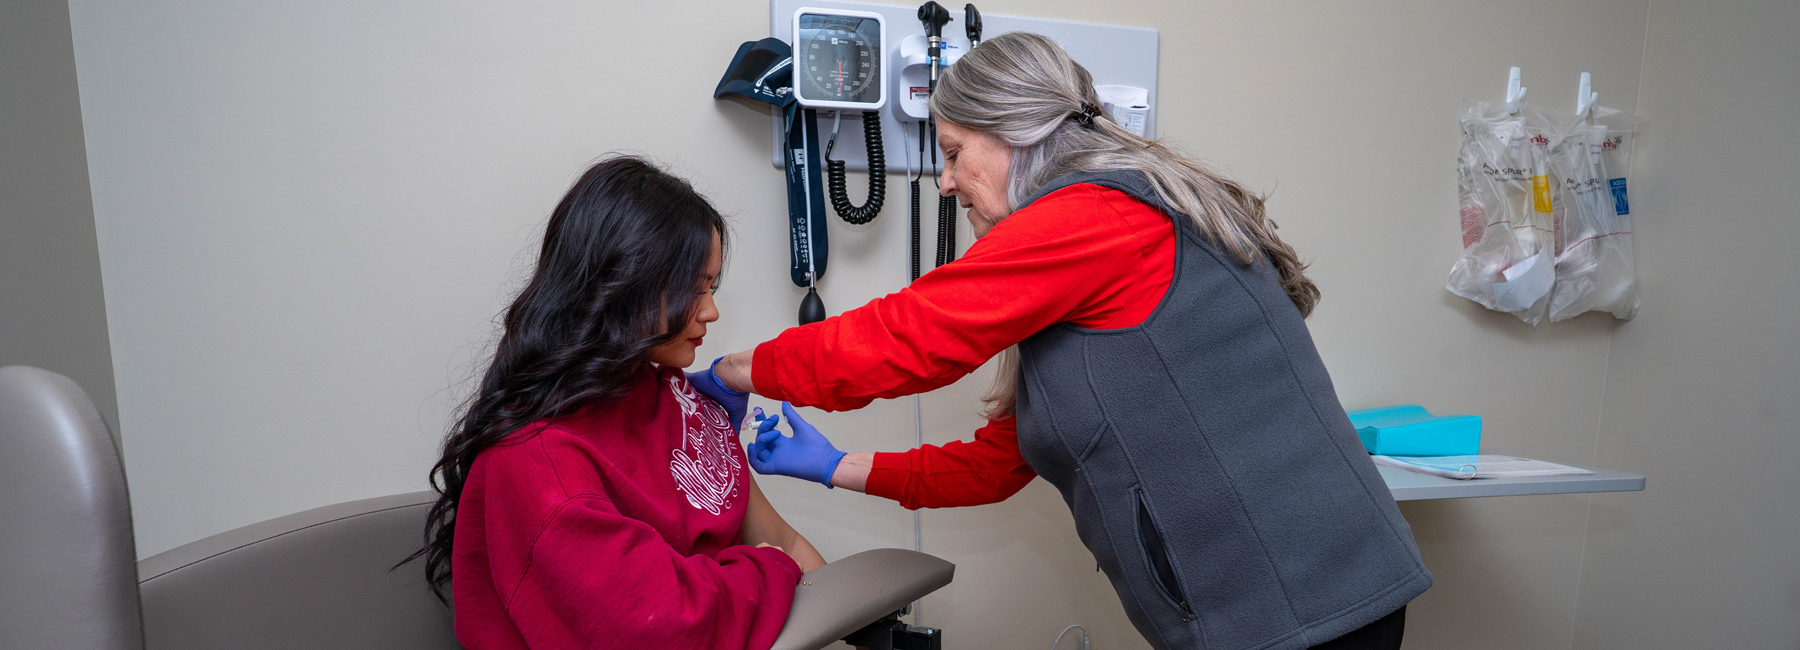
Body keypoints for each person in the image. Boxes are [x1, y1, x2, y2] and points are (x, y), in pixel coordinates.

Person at [693, 33, 1430, 650]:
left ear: (1015, 130)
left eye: (953, 152)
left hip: (1303, 603)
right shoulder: (1084, 264)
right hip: (1279, 606)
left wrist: (740, 371)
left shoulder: (1093, 218)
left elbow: (907, 339)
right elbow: (998, 465)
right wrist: (831, 466)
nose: (945, 182)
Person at [407, 156, 824, 650]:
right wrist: (770, 568)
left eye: (712, 287)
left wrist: (852, 621)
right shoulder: (534, 464)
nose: (711, 311)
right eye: (695, 290)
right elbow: (661, 627)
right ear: (621, 286)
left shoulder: (678, 398)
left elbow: (786, 540)